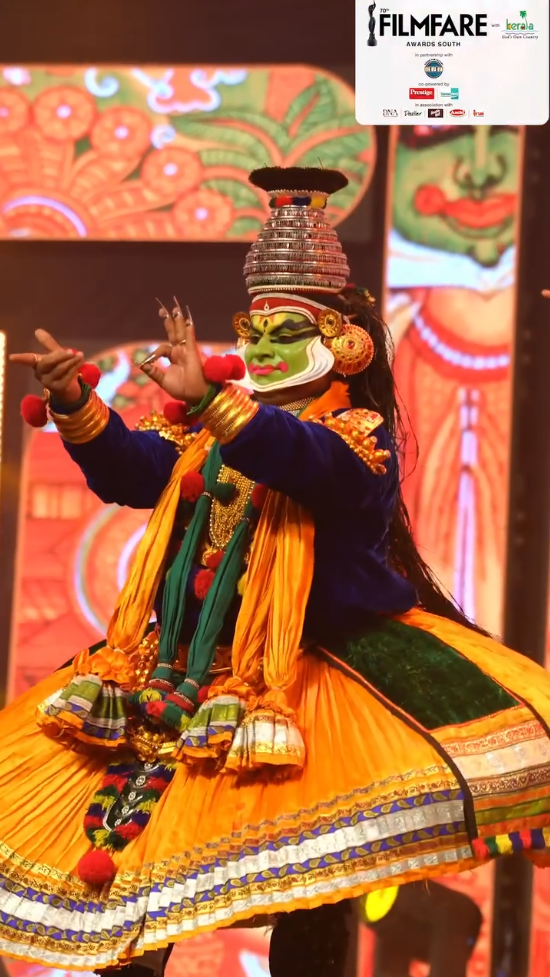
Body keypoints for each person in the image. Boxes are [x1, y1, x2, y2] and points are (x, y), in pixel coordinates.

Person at [4, 166, 550, 977]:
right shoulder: (209, 435)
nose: (258, 347)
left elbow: (301, 458)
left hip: (309, 685)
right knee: (137, 868)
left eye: (282, 332)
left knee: (312, 880)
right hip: (186, 673)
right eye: (251, 331)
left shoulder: (355, 437)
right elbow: (133, 471)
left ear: (344, 343)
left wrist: (218, 406)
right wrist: (78, 404)